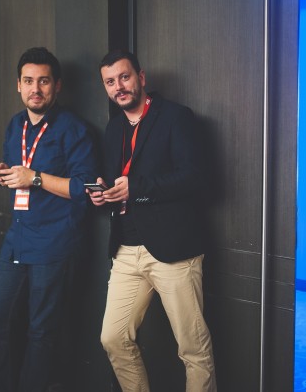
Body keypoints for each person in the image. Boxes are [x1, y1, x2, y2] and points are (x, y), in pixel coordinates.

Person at [88, 50, 217, 391]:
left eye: (124, 77)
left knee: (193, 348)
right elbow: (118, 181)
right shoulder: (114, 128)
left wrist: (137, 188)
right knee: (113, 338)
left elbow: (195, 176)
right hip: (125, 250)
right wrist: (103, 194)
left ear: (141, 77)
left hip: (174, 250)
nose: (119, 87)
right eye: (110, 82)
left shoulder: (176, 117)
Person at [0, 47, 96, 392]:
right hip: (17, 237)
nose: (36, 88)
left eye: (43, 81)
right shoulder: (15, 124)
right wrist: (5, 174)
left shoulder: (74, 128)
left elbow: (84, 188)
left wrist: (33, 177)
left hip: (54, 242)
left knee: (41, 330)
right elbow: (15, 168)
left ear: (57, 86)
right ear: (18, 85)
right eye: (29, 81)